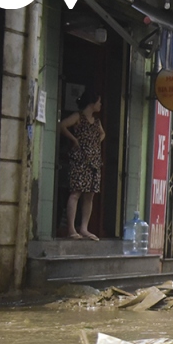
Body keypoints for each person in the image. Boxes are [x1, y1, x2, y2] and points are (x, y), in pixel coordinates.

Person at [58, 90, 105, 240]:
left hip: (94, 161)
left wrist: (96, 142)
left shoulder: (96, 121)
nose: (100, 105)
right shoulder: (78, 117)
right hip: (80, 159)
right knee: (76, 193)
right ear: (92, 103)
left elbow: (103, 133)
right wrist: (75, 140)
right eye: (99, 102)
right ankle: (71, 228)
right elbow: (62, 125)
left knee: (89, 195)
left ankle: (84, 228)